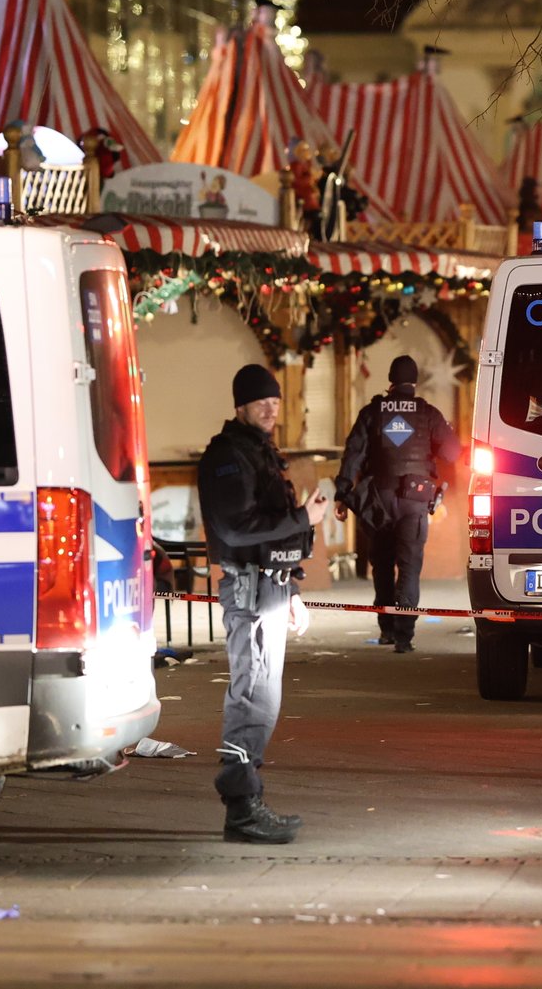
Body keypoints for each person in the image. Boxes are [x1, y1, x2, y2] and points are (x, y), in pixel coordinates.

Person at [198, 364, 325, 844]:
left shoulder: (261, 453)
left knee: (264, 699)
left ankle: (247, 798)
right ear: (240, 406)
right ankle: (241, 806)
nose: (271, 408)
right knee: (253, 697)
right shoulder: (228, 457)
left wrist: (292, 589)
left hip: (269, 588)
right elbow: (236, 529)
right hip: (249, 591)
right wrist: (302, 516)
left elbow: (271, 529)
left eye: (275, 401)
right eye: (260, 402)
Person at [336, 355, 459, 653]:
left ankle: (387, 629)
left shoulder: (372, 412)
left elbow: (353, 453)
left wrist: (342, 493)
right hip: (414, 501)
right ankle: (404, 637)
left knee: (381, 565)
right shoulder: (427, 413)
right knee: (408, 566)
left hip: (378, 501)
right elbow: (453, 453)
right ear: (414, 383)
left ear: (390, 381)